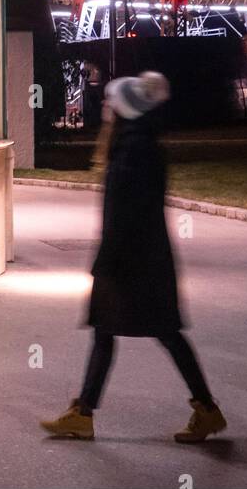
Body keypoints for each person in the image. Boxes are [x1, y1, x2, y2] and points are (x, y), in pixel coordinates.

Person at [41, 70, 227, 444]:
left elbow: (123, 214)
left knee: (147, 332)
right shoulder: (139, 144)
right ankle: (86, 413)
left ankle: (204, 409)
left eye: (111, 102)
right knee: (123, 332)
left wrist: (106, 261)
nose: (106, 106)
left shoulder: (132, 150)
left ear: (125, 110)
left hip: (131, 262)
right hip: (144, 259)